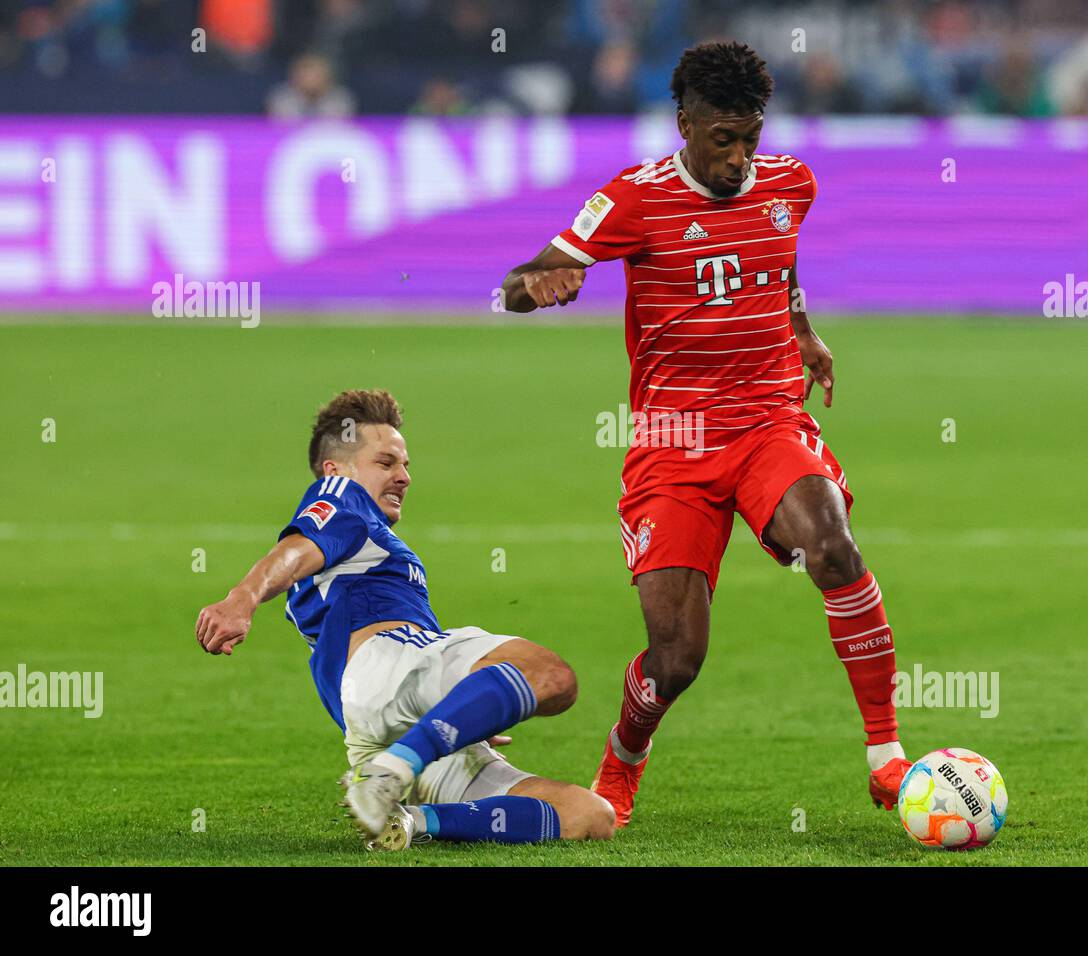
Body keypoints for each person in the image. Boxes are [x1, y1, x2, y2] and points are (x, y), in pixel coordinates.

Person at [500, 42, 911, 828]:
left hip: (766, 420)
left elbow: (779, 262)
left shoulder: (792, 184)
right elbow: (520, 280)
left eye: (749, 138)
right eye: (721, 139)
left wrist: (803, 330)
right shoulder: (632, 199)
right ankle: (623, 758)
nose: (738, 158)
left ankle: (885, 758)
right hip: (671, 445)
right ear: (684, 123)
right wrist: (539, 286)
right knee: (677, 658)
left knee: (832, 547)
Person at [195, 389, 614, 849]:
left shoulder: (361, 545)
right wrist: (242, 598)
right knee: (552, 677)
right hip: (387, 667)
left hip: (377, 719)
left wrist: (471, 708)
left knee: (588, 816)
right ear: (337, 469)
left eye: (406, 465)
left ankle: (410, 818)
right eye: (386, 462)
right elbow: (294, 550)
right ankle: (395, 768)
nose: (404, 477)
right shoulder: (340, 497)